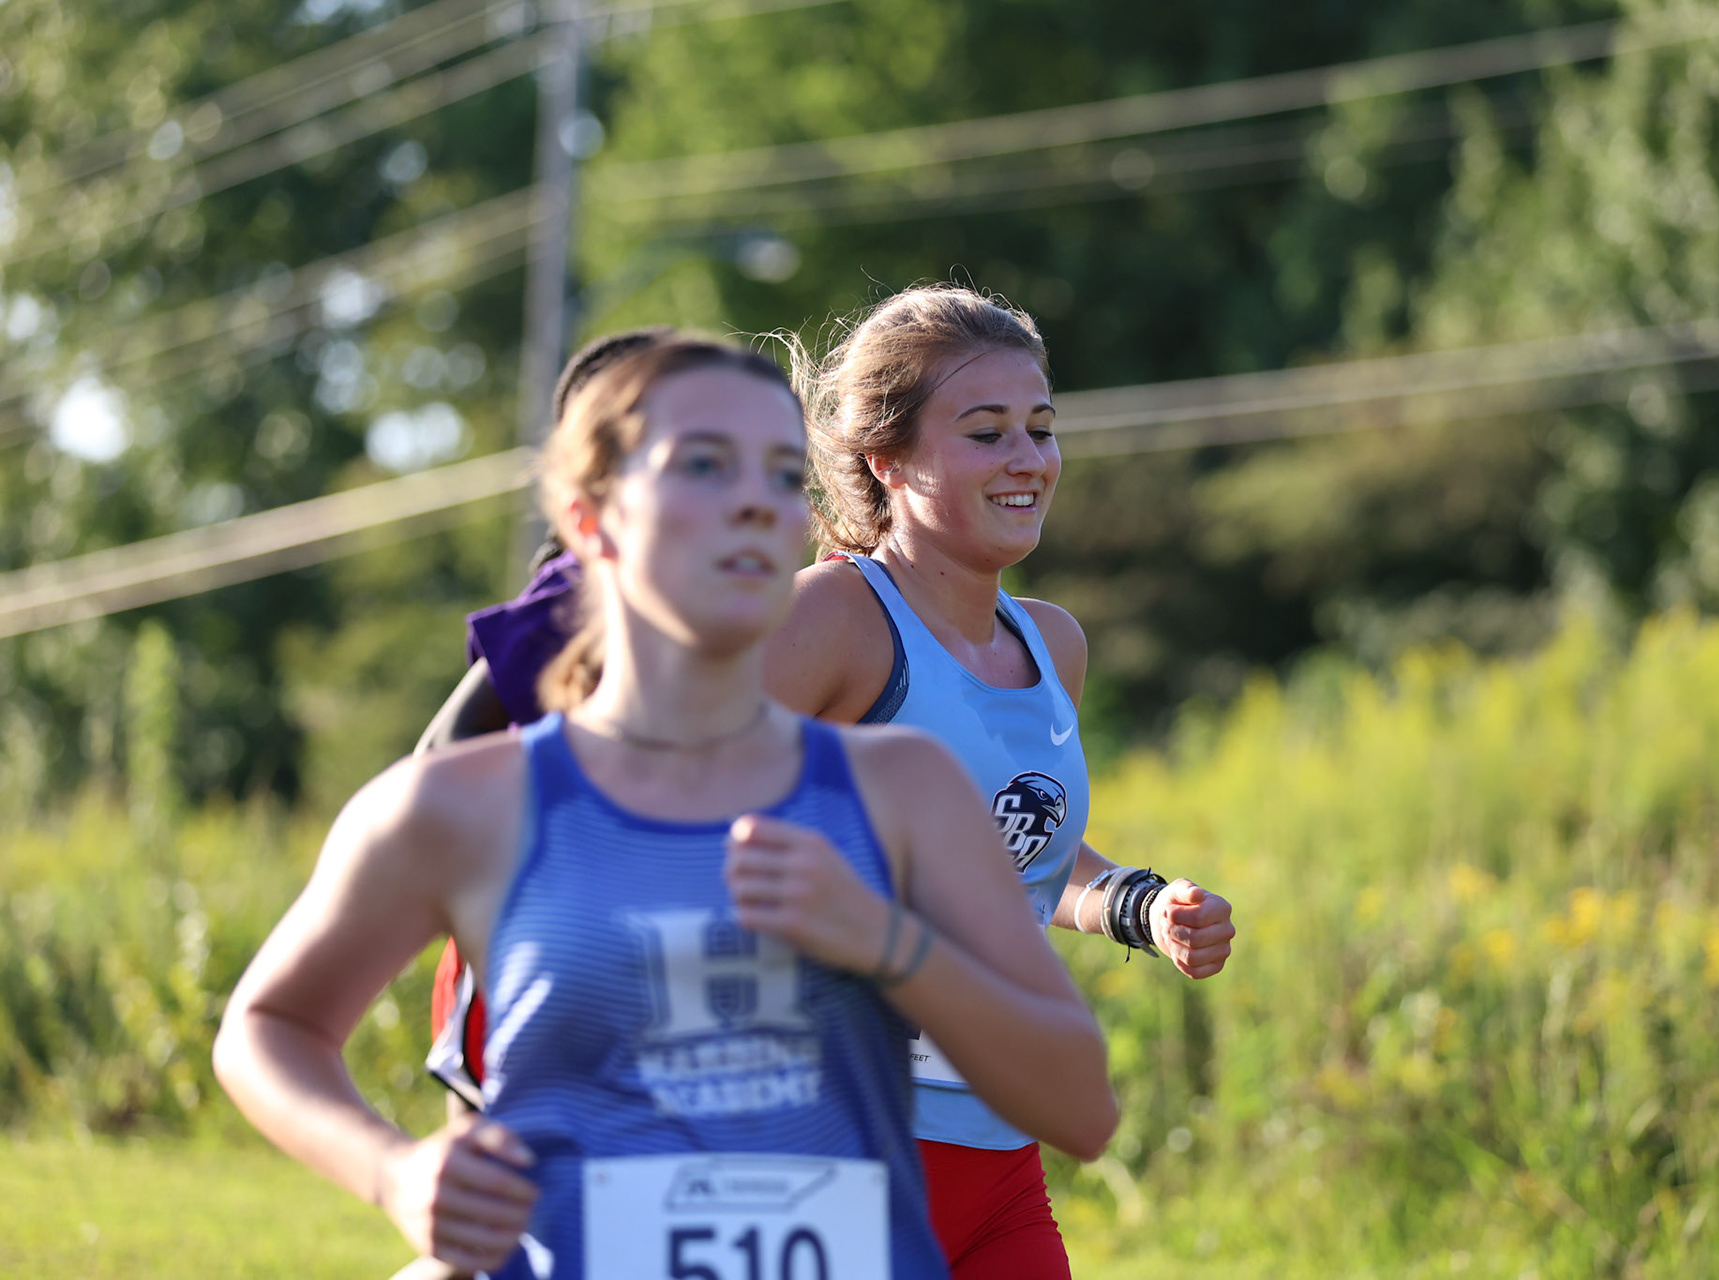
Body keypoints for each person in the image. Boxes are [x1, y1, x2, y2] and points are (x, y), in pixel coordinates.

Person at [214, 331, 1117, 1280]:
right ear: (589, 517)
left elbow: (1080, 1105)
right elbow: (266, 1029)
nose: (754, 504)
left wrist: (888, 945)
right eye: (702, 466)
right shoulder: (455, 810)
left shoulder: (902, 786)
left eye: (777, 474)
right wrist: (396, 1174)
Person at [419, 289, 1235, 1278]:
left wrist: (1137, 904)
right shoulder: (836, 621)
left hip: (998, 1146)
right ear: (887, 459)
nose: (1027, 456)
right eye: (986, 432)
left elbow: (1015, 852)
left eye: (1041, 426)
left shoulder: (1051, 642)